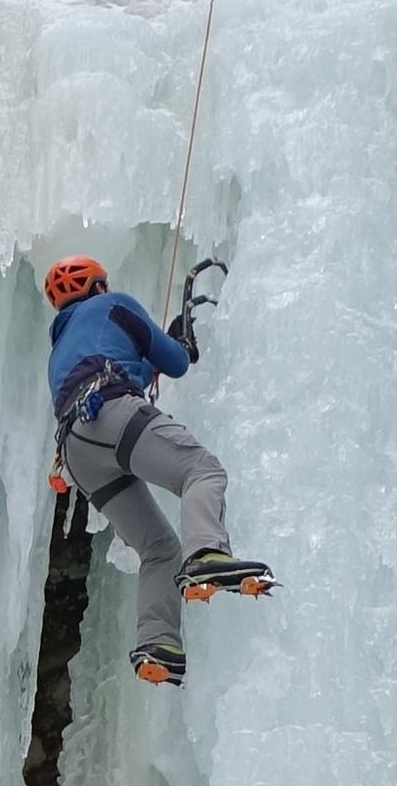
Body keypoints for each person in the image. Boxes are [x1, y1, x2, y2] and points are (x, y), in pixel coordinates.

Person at [45, 253, 268, 688]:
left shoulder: (59, 349)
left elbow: (132, 364)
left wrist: (156, 356)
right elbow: (178, 362)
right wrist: (179, 342)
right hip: (112, 413)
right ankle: (206, 553)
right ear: (99, 287)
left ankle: (157, 644)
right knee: (201, 472)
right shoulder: (114, 306)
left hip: (78, 452)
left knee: (158, 548)